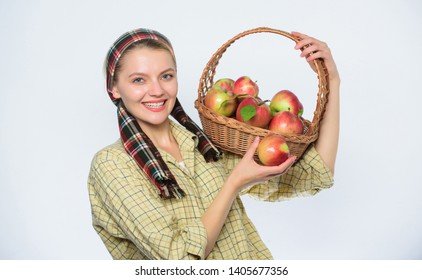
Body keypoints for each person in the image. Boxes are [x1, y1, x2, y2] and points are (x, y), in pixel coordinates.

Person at [88, 28, 340, 260]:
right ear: (114, 89)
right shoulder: (112, 165)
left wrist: (332, 82)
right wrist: (233, 184)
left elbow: (315, 173)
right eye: (138, 80)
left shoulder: (206, 145)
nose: (157, 90)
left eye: (166, 76)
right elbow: (179, 262)